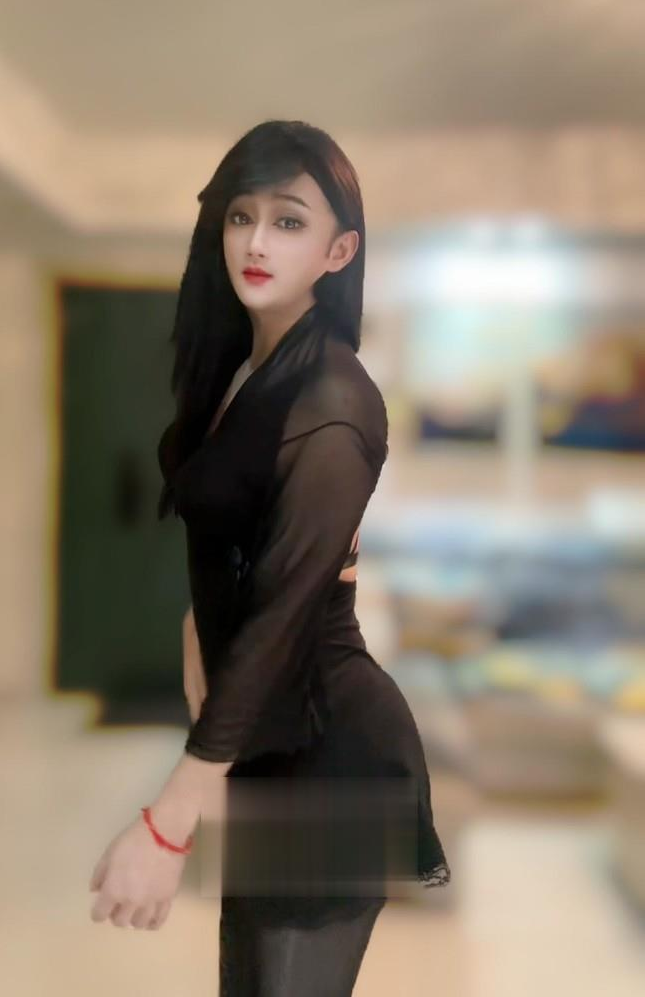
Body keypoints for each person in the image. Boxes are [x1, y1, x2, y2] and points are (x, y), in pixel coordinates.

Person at [89, 119, 451, 995]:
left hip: (333, 753)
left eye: (289, 221)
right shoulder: (244, 370)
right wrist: (197, 625)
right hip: (269, 743)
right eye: (240, 215)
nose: (255, 241)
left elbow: (284, 616)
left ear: (339, 250)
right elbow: (237, 545)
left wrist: (168, 823)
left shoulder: (333, 400)